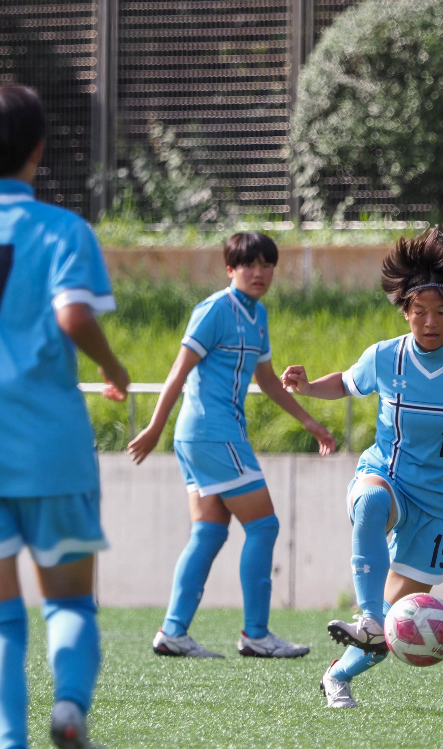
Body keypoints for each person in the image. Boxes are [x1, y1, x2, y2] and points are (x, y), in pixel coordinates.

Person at [0, 84, 129, 749]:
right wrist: (112, 367)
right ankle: (69, 707)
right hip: (52, 451)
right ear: (39, 151)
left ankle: (8, 743)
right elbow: (73, 314)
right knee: (68, 603)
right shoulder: (65, 230)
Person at [281, 227, 443, 708]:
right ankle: (366, 615)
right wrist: (307, 387)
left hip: (438, 505)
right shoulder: (386, 356)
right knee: (370, 501)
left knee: (399, 623)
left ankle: (338, 675)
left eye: (441, 311)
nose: (430, 321)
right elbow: (345, 383)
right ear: (405, 312)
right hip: (388, 475)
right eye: (420, 311)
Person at [127, 231, 335, 659]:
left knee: (209, 531)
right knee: (264, 526)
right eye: (249, 265)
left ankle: (173, 632)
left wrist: (310, 422)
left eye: (267, 265)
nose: (259, 273)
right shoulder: (215, 310)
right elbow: (178, 371)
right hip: (213, 433)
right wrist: (153, 427)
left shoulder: (257, 315)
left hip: (207, 436)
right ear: (230, 269)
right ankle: (256, 634)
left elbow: (267, 381)